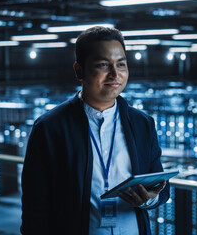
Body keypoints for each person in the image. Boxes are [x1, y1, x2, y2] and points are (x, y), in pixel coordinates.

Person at [21, 26, 169, 235]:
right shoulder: (50, 127)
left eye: (121, 64)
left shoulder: (142, 124)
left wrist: (149, 199)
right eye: (103, 65)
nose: (115, 74)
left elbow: (162, 188)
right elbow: (35, 207)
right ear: (79, 71)